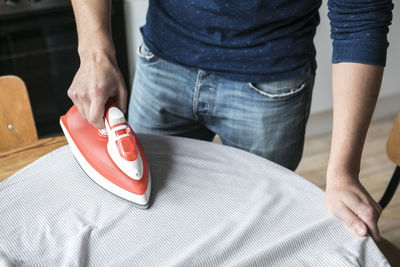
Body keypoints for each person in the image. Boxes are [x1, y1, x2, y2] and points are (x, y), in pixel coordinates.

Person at [68, 0, 393, 242]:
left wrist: (342, 171)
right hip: (162, 60)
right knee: (149, 214)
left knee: (256, 225)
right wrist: (95, 52)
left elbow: (361, 18)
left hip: (270, 83)